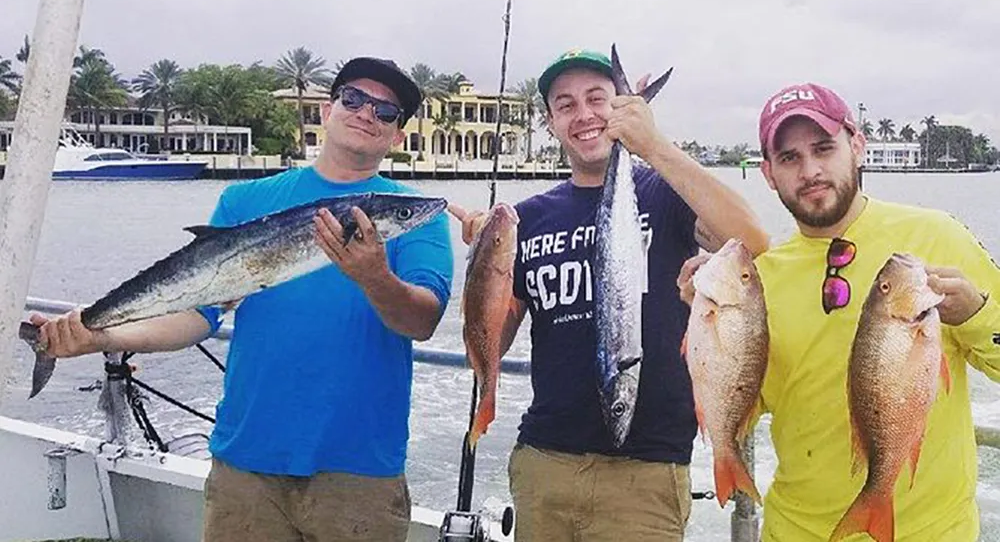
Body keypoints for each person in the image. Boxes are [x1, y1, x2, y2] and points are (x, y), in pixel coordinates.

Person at [27, 56, 455, 542]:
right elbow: (197, 313)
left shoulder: (418, 217)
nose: (366, 114)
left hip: (359, 473)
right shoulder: (244, 201)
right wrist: (98, 334)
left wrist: (374, 277)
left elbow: (422, 320)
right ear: (325, 111)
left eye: (386, 112)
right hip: (245, 464)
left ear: (397, 135)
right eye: (353, 99)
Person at [449, 48, 769, 541]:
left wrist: (653, 145)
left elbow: (753, 241)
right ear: (552, 122)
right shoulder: (527, 218)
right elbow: (498, 338)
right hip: (544, 464)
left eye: (597, 98)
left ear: (619, 106)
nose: (584, 115)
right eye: (565, 105)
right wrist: (484, 267)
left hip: (645, 474)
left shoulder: (665, 195)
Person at [679, 82, 1000, 541]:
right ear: (768, 174)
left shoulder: (938, 236)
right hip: (794, 531)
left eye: (824, 148)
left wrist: (975, 313)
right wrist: (711, 333)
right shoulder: (757, 280)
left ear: (857, 145)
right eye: (789, 158)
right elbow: (744, 403)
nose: (810, 170)